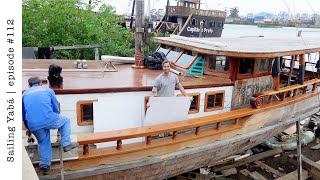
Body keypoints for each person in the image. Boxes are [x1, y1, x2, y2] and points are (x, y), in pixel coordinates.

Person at [22, 76, 79, 175]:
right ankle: (66, 144)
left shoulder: (24, 94)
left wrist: (28, 127)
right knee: (65, 120)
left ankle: (45, 166)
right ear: (41, 83)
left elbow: (24, 115)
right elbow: (56, 107)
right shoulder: (48, 90)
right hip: (49, 118)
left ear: (29, 85)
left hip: (33, 125)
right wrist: (55, 117)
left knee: (43, 142)